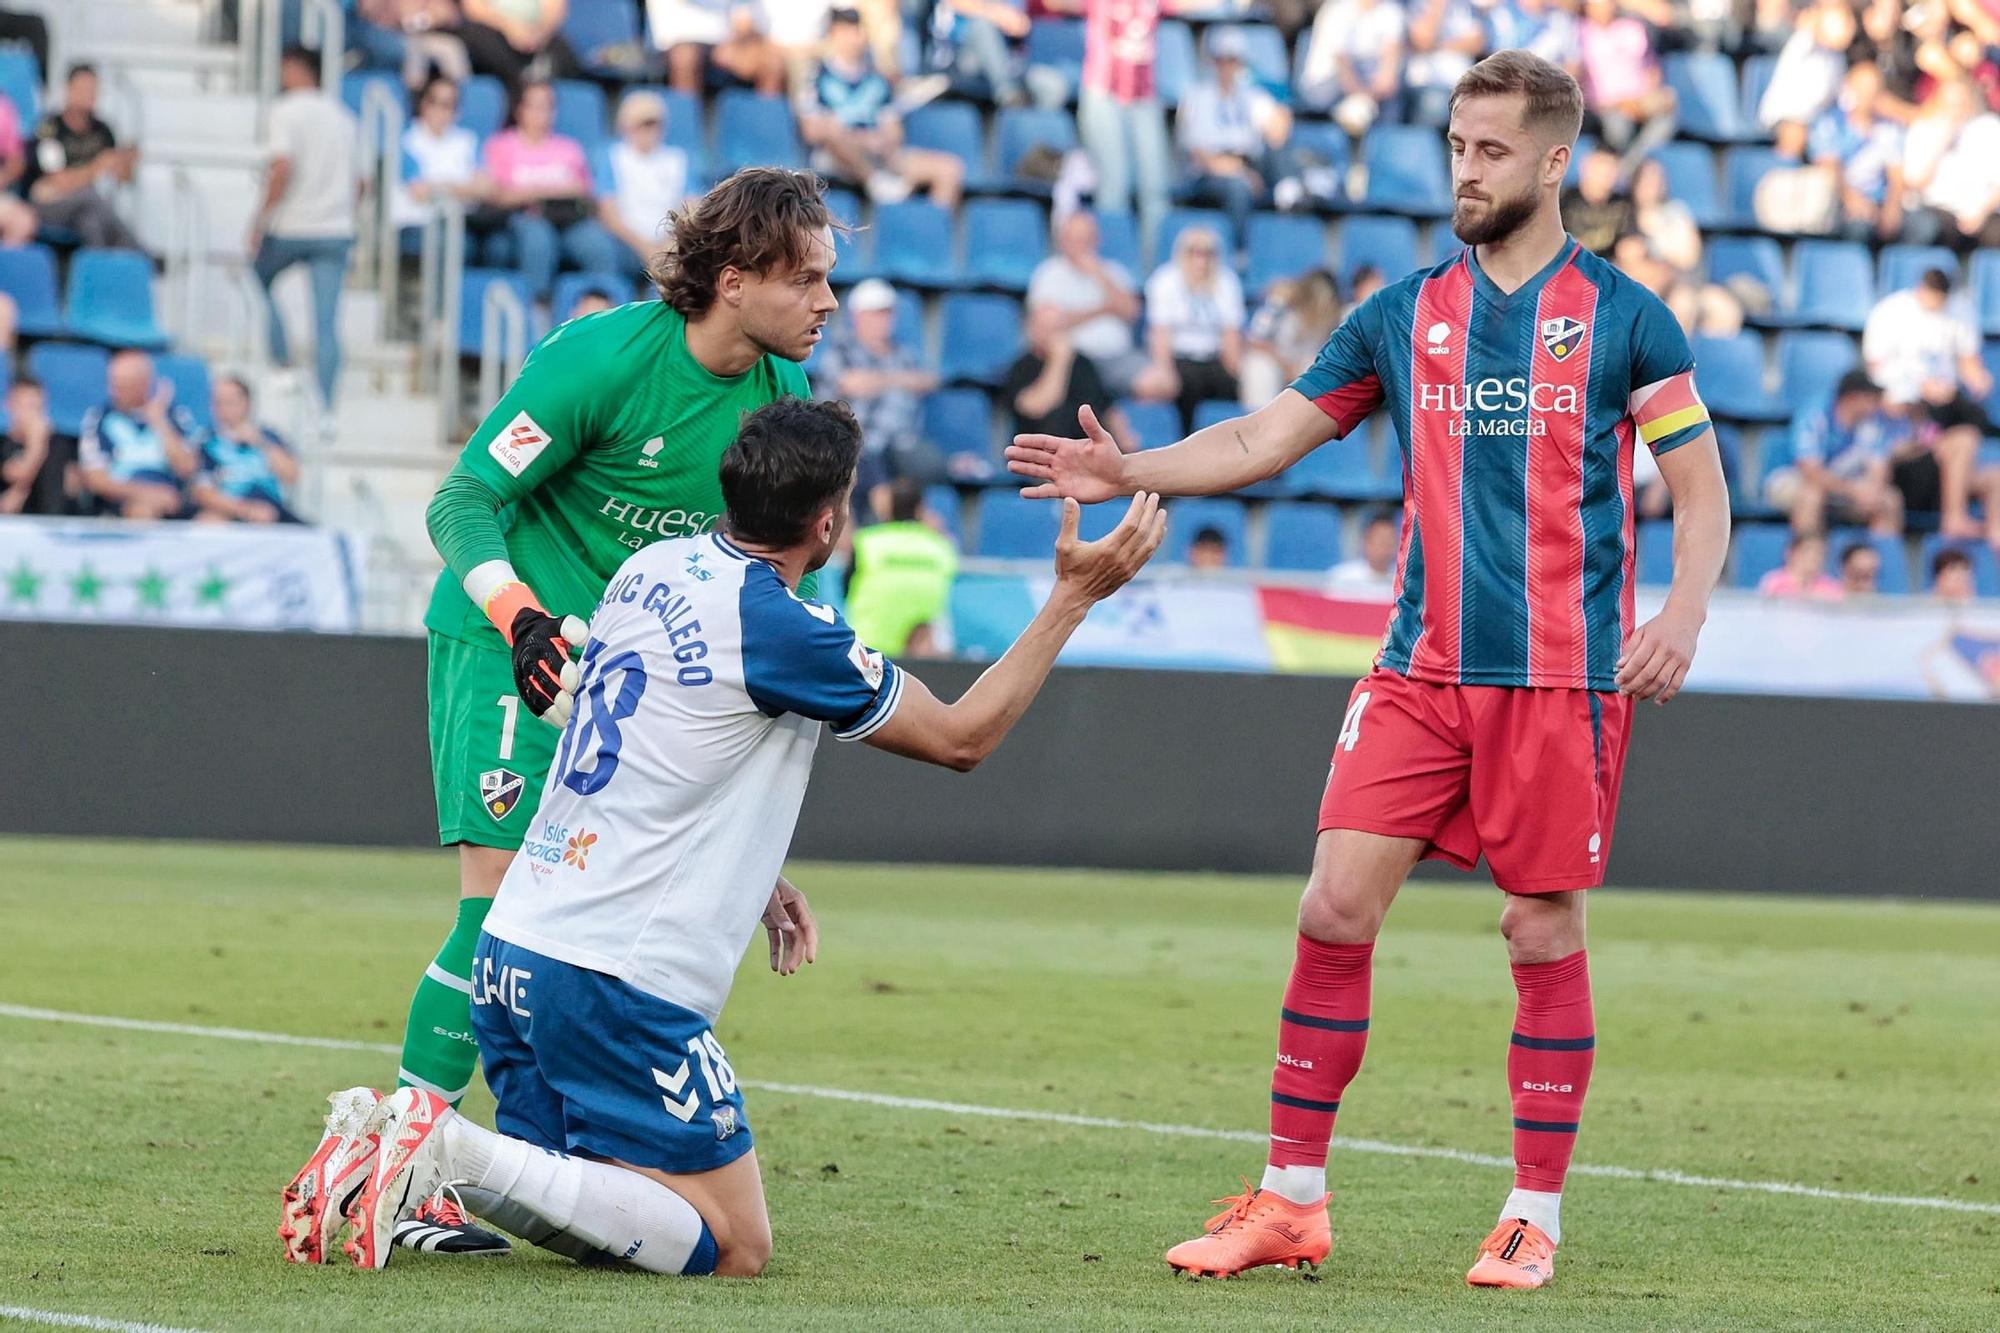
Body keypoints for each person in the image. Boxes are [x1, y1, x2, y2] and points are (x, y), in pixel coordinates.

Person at [1008, 49, 1733, 1289]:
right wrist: (1131, 471)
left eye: (1491, 149)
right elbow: (1261, 434)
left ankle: (1530, 1213)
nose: (1465, 168)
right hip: (1415, 672)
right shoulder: (1401, 313)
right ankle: (1290, 1197)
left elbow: (1699, 486)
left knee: (1535, 924)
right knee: (1330, 908)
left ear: (1554, 161)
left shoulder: (1624, 315)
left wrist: (1681, 613)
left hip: (1558, 681)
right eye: (1455, 145)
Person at [288, 400, 1167, 1277]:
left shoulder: (649, 565)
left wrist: (758, 867)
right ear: (826, 520)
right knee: (735, 1247)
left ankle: (410, 1156)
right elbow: (963, 738)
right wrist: (1072, 597)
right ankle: (444, 1149)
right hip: (611, 981)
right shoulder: (784, 627)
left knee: (610, 1212)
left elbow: (666, 739)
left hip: (514, 949)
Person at [365, 168, 837, 1260]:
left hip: (609, 681)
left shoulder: (776, 400)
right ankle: (398, 1168)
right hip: (501, 642)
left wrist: (752, 854)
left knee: (551, 924)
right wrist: (523, 617)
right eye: (804, 278)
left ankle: (513, 1162)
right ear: (733, 280)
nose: (825, 301)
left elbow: (754, 619)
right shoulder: (600, 358)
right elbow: (463, 499)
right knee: (498, 916)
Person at [251, 45, 360, 415]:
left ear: (297, 68)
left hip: (293, 226)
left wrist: (260, 220)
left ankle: (282, 361)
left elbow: (282, 167)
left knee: (254, 279)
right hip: (335, 230)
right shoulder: (345, 118)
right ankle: (326, 410)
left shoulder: (285, 111)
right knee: (327, 323)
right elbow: (362, 183)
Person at [1861, 268, 2000, 544]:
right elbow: (1876, 370)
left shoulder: (1959, 311)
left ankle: (1987, 533)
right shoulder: (1890, 313)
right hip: (1903, 408)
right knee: (1960, 438)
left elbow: (1968, 362)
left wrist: (1977, 379)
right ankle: (1953, 515)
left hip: (1941, 410)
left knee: (1975, 438)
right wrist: (1921, 385)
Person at [480, 78, 626, 303]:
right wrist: (551, 190)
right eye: (535, 106)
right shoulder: (501, 145)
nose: (542, 113)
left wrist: (534, 191)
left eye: (548, 106)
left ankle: (609, 312)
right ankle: (537, 311)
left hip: (568, 218)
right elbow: (499, 195)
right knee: (539, 239)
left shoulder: (569, 147)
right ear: (520, 110)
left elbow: (584, 190)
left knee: (598, 244)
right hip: (524, 218)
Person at [799, 8, 963, 208]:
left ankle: (929, 233)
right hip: (837, 155)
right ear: (833, 33)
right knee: (833, 133)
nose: (854, 37)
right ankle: (876, 183)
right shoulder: (817, 75)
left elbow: (894, 131)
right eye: (846, 31)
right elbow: (813, 130)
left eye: (857, 30)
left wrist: (877, 141)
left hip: (879, 151)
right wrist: (858, 139)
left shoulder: (878, 79)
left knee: (949, 170)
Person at [809, 278, 943, 496]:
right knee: (863, 466)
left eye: (886, 313)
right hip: (856, 442)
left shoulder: (902, 354)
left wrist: (879, 381)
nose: (882, 320)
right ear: (857, 317)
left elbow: (930, 381)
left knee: (931, 465)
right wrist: (900, 380)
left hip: (900, 444)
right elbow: (850, 383)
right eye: (875, 313)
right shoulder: (842, 350)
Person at [1063, 0, 1171, 254]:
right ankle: (1114, 257)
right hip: (1103, 90)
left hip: (1144, 94)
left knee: (1155, 189)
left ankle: (1154, 261)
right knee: (1113, 185)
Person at [1024, 210, 1164, 398]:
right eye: (1075, 239)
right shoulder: (1048, 273)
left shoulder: (1113, 272)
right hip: (1072, 360)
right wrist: (1104, 309)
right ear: (1063, 240)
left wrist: (1099, 275)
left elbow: (1131, 312)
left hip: (1116, 357)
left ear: (1097, 240)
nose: (1081, 245)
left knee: (1161, 383)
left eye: (1086, 239)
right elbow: (1047, 324)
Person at [1176, 26, 1295, 245]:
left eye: (1233, 60)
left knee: (1280, 157)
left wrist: (1280, 100)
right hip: (1211, 173)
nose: (1227, 67)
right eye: (1222, 60)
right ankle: (1240, 249)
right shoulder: (1197, 97)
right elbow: (1200, 155)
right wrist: (1241, 172)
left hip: (1250, 165)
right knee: (1238, 187)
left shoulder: (1251, 94)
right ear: (1212, 62)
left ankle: (1289, 194)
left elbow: (1278, 133)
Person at [1764, 369, 1905, 537]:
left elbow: (1879, 465)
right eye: (1870, 397)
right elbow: (1810, 471)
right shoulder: (1815, 413)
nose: (1875, 403)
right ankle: (1806, 558)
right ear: (1852, 397)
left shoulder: (1872, 421)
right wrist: (1852, 491)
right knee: (1811, 495)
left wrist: (1871, 490)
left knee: (1888, 500)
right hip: (1792, 479)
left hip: (1845, 487)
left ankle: (1874, 560)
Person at [22, 63, 146, 251]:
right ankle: (141, 255)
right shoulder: (49, 129)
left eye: (93, 89)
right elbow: (58, 181)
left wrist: (125, 162)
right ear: (68, 89)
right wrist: (97, 167)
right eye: (83, 88)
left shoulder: (102, 131)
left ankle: (99, 273)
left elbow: (121, 179)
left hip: (85, 208)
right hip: (50, 204)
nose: (89, 94)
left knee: (90, 222)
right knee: (89, 195)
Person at [1143, 224, 1246, 431]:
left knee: (1228, 387)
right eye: (1194, 252)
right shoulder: (1165, 281)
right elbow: (1160, 332)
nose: (1201, 260)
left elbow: (1231, 333)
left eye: (1208, 253)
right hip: (1179, 357)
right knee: (1184, 386)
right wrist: (1164, 370)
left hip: (1214, 357)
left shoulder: (1227, 282)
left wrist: (1236, 372)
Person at [78, 351, 202, 521]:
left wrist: (158, 421)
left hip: (173, 501)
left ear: (144, 384)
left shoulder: (175, 416)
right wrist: (147, 494)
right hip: (124, 500)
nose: (113, 392)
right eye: (113, 384)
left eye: (123, 386)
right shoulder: (98, 418)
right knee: (142, 511)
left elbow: (187, 468)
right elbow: (96, 480)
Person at [845, 477, 959, 653]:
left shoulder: (866, 542)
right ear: (921, 509)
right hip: (922, 654)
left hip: (869, 651)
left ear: (887, 507)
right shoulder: (941, 546)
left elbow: (846, 588)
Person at [595, 89, 694, 274]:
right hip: (625, 242)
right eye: (641, 125)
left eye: (653, 124)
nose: (648, 131)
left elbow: (691, 205)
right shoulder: (612, 157)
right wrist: (645, 247)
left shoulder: (677, 159)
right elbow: (608, 212)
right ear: (626, 126)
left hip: (669, 243)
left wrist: (669, 243)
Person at [1808, 61, 1904, 245]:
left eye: (1873, 89)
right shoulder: (1830, 123)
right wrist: (1852, 200)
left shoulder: (1888, 127)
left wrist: (1892, 208)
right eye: (1862, 88)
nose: (1867, 95)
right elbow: (1829, 168)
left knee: (1922, 225)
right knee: (1858, 227)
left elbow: (1896, 174)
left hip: (1878, 200)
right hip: (1838, 200)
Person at [1899, 78, 2000, 252]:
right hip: (1938, 210)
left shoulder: (1989, 128)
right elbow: (1914, 182)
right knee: (1926, 229)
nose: (1957, 109)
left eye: (1962, 102)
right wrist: (1941, 143)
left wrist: (1981, 213)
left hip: (1983, 212)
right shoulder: (1923, 129)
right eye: (1951, 103)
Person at [189, 375, 303, 524]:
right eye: (218, 403)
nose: (223, 409)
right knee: (207, 523)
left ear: (246, 403)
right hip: (230, 509)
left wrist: (260, 443)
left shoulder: (269, 437)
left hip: (273, 511)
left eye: (229, 402)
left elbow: (292, 476)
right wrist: (245, 510)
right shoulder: (206, 441)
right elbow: (202, 492)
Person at [1577, 0, 1676, 164]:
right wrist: (1621, 104)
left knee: (1667, 118)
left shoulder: (1632, 28)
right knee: (1619, 127)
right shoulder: (1580, 32)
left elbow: (1651, 68)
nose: (1605, 8)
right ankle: (1627, 172)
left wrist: (1650, 94)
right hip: (1606, 106)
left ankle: (1630, 167)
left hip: (1639, 101)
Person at [1004, 302, 1118, 442]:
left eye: (1057, 328)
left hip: (1084, 448)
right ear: (1031, 328)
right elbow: (1036, 408)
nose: (1053, 334)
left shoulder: (1083, 364)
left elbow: (1105, 407)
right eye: (1046, 328)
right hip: (1040, 450)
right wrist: (1059, 360)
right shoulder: (1021, 367)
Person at [1296, 0, 1406, 132]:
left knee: (1390, 104)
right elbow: (1343, 68)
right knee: (1357, 108)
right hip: (1324, 86)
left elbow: (1388, 73)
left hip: (1368, 90)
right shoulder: (1336, 10)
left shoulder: (1392, 11)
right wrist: (1364, 99)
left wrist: (1369, 99)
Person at [1241, 268, 1343, 408]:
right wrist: (1285, 366)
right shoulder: (1280, 304)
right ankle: (1258, 421)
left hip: (1301, 368)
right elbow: (1256, 340)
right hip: (1274, 362)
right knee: (1260, 366)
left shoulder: (1331, 319)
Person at [395, 74, 484, 232]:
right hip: (421, 224)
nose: (440, 110)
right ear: (423, 103)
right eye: (434, 102)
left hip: (465, 222)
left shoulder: (467, 140)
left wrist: (439, 186)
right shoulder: (405, 140)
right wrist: (462, 189)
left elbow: (485, 187)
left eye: (449, 104)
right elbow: (419, 191)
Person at [648, 0, 786, 97]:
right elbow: (667, 36)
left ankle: (764, 128)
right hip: (677, 46)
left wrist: (734, 43)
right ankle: (684, 127)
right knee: (685, 57)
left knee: (771, 61)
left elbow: (743, 21)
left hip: (726, 45)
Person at [455, 0, 582, 95]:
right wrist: (509, 28)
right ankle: (520, 91)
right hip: (493, 31)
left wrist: (539, 34)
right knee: (479, 37)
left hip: (535, 34)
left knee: (563, 49)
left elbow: (555, 11)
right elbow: (473, 9)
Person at [1559, 144, 1630, 258]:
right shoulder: (1562, 200)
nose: (1605, 176)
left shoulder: (1623, 204)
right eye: (1600, 169)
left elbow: (1629, 247)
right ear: (1585, 167)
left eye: (1611, 170)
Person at [0, 375, 54, 516]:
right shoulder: (4, 445)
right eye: (24, 406)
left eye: (36, 407)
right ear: (8, 405)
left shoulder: (59, 445)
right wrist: (36, 443)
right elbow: (17, 473)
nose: (31, 414)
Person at [1323, 506, 1397, 596]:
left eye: (1389, 541)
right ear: (1365, 542)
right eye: (1380, 541)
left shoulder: (1405, 583)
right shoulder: (1342, 578)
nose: (1384, 547)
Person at [1758, 529, 1843, 600]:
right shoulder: (1773, 583)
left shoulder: (1831, 587)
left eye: (1820, 553)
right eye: (1808, 551)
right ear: (1791, 553)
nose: (1815, 557)